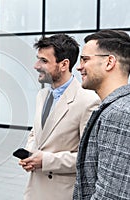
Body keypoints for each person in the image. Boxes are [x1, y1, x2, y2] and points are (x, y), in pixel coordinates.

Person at [18, 34, 100, 200]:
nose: (36, 66)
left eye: (44, 61)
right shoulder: (42, 95)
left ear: (64, 65)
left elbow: (89, 158)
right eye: (38, 59)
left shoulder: (88, 101)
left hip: (61, 193)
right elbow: (36, 132)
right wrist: (30, 154)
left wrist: (46, 160)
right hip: (34, 189)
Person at [73, 30, 130, 199]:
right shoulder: (117, 107)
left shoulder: (119, 114)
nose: (79, 66)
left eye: (85, 59)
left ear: (109, 62)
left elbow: (112, 195)